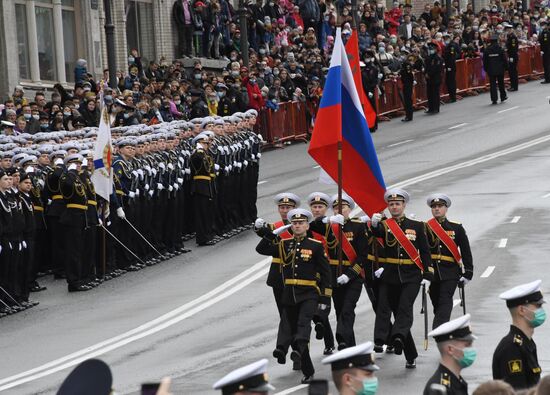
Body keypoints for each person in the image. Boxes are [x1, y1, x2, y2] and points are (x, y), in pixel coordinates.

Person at [256, 208, 332, 383]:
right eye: (295, 223)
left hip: (309, 293)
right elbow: (261, 249)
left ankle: (296, 347)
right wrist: (271, 235)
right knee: (286, 325)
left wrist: (325, 299)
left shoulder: (316, 246)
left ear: (307, 225)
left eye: (301, 223)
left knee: (303, 324)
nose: (297, 226)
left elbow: (326, 275)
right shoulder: (285, 244)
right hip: (289, 293)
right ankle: (288, 353)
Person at [371, 189, 433, 369]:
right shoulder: (386, 225)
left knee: (404, 309)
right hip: (390, 275)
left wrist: (428, 274)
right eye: (391, 204)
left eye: (397, 204)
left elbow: (426, 252)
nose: (394, 207)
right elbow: (377, 234)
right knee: (383, 307)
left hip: (411, 275)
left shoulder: (418, 225)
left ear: (404, 205)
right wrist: (374, 224)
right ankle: (381, 339)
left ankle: (398, 337)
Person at [425, 193, 473, 329]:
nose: (436, 209)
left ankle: (439, 328)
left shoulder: (456, 228)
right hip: (432, 271)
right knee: (436, 303)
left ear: (446, 208)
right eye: (434, 207)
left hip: (450, 271)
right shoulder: (425, 227)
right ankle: (443, 325)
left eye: (440, 206)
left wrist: (468, 272)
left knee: (445, 300)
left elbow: (465, 251)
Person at [327, 194, 368, 351]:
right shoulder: (328, 228)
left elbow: (363, 256)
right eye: (336, 207)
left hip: (353, 277)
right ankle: (348, 347)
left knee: (348, 308)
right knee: (340, 311)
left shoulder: (358, 227)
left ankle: (341, 338)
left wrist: (350, 274)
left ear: (349, 209)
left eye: (342, 207)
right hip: (334, 275)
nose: (339, 210)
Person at [492, 280, 545, 390]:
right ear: (522, 310)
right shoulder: (512, 348)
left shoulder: (526, 343)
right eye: (538, 306)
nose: (541, 310)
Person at [423, 314, 477, 395]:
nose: (472, 349)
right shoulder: (439, 389)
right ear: (450, 349)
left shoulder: (455, 380)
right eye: (467, 345)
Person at [483, 35, 508, 105]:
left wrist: (486, 69)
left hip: (491, 70)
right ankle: (503, 96)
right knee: (501, 83)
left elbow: (485, 61)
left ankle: (494, 99)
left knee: (493, 85)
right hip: (500, 69)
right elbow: (504, 59)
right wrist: (506, 67)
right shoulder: (500, 49)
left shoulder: (487, 50)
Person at [424, 42, 443, 114]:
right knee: (429, 94)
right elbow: (426, 67)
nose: (430, 50)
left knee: (435, 94)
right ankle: (431, 108)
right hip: (429, 79)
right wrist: (425, 73)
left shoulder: (437, 58)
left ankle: (436, 108)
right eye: (429, 49)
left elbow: (436, 68)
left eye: (432, 49)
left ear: (435, 49)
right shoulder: (428, 58)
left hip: (435, 78)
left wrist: (429, 74)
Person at [443, 34, 461, 103]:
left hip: (450, 65)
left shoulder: (451, 46)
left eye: (446, 38)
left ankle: (453, 97)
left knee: (451, 81)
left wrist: (450, 65)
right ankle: (452, 96)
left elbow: (452, 56)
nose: (445, 39)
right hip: (449, 65)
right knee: (449, 81)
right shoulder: (449, 45)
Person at [504, 23, 519, 92]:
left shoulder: (512, 37)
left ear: (511, 30)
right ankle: (513, 85)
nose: (508, 31)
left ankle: (514, 86)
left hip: (513, 56)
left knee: (513, 71)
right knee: (511, 71)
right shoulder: (509, 36)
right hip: (510, 55)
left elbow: (513, 48)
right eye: (507, 30)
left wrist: (511, 57)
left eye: (509, 29)